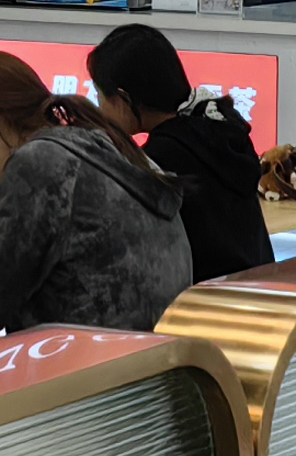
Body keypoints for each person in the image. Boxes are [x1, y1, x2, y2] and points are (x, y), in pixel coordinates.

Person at [0, 51, 192, 341]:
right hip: (150, 361)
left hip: (92, 367)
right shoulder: (94, 141)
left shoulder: (39, 163)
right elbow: (52, 260)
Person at [87, 25, 273, 283]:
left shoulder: (159, 160)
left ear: (122, 98)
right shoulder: (220, 126)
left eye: (100, 97)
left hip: (201, 301)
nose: (100, 110)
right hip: (262, 289)